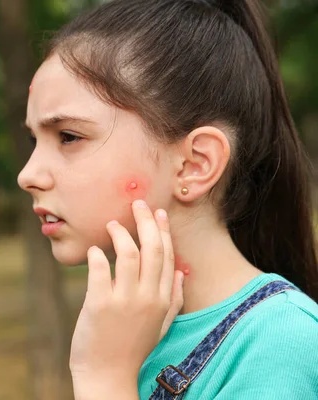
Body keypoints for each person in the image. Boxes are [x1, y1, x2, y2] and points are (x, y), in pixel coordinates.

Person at [17, 0, 318, 398]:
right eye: (34, 141)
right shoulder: (127, 328)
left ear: (195, 164)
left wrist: (104, 378)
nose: (27, 176)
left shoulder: (282, 345)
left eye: (69, 137)